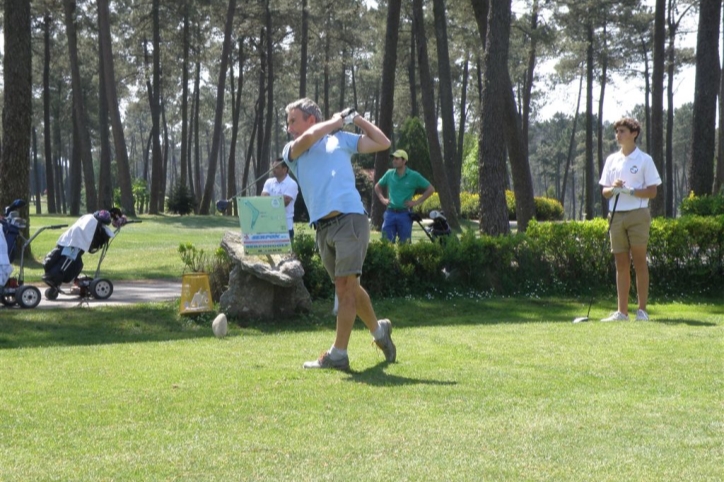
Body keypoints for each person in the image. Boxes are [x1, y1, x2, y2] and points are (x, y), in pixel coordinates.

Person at [282, 98, 396, 370]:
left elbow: (383, 143)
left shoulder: (341, 140)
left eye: (293, 121)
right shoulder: (292, 150)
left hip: (350, 219)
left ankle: (338, 354)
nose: (289, 129)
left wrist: (356, 119)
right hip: (322, 228)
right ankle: (380, 332)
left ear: (310, 118)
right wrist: (335, 121)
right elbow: (310, 137)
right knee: (350, 289)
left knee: (345, 289)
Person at [599, 117, 661, 322]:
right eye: (617, 131)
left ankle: (642, 311)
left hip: (638, 214)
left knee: (639, 261)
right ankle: (622, 312)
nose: (618, 135)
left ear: (634, 133)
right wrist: (615, 188)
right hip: (616, 215)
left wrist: (631, 191)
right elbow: (605, 192)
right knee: (621, 263)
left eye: (622, 131)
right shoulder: (611, 160)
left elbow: (652, 192)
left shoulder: (645, 160)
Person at [374, 149, 435, 243]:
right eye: (393, 158)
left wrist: (416, 202)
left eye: (397, 159)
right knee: (386, 244)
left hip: (405, 214)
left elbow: (431, 189)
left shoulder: (414, 176)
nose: (394, 161)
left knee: (405, 244)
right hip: (390, 213)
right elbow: (377, 186)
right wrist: (382, 199)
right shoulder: (389, 174)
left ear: (404, 161)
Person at [261, 158, 299, 244]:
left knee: (287, 255)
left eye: (277, 167)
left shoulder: (292, 184)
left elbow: (284, 203)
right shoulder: (269, 182)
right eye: (273, 167)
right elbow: (262, 200)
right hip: (269, 226)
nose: (273, 170)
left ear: (285, 169)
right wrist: (277, 200)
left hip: (285, 227)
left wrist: (269, 200)